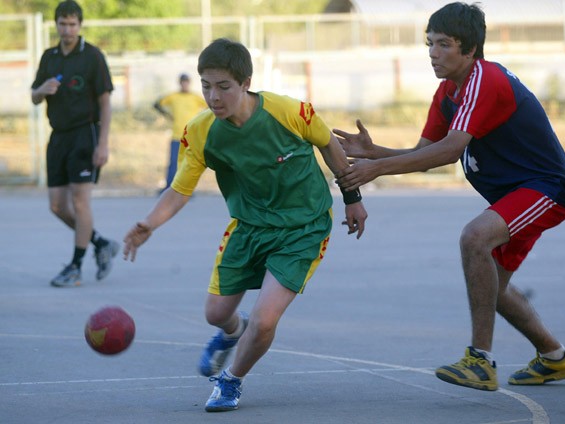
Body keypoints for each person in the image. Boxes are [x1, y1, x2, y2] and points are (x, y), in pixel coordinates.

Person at [334, 2, 565, 392]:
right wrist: (375, 152)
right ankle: (556, 356)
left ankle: (480, 362)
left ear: (470, 49)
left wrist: (376, 169)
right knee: (492, 287)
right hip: (516, 196)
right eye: (429, 44)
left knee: (474, 237)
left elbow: (450, 151)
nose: (433, 53)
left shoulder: (485, 79)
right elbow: (425, 154)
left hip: (547, 188)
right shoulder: (448, 91)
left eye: (444, 44)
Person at [123, 38, 368, 412]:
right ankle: (232, 332)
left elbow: (329, 145)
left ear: (245, 83)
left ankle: (231, 380)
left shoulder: (289, 112)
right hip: (249, 227)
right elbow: (179, 190)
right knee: (216, 314)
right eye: (207, 86)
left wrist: (352, 197)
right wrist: (148, 223)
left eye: (223, 86)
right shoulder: (201, 131)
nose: (213, 97)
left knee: (265, 320)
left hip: (303, 227)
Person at [31, 0, 119, 288]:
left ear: (79, 25)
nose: (67, 29)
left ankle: (76, 267)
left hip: (85, 134)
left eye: (72, 24)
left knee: (80, 202)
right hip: (58, 136)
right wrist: (41, 90)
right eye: (63, 24)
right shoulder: (49, 57)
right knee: (57, 206)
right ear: (56, 25)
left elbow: (105, 103)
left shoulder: (92, 56)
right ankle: (100, 242)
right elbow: (34, 96)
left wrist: (103, 144)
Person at [153, 73, 206, 192]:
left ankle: (187, 188)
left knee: (189, 164)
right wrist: (168, 115)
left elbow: (209, 108)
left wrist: (200, 120)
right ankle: (169, 187)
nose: (185, 85)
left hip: (191, 136)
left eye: (186, 82)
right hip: (177, 135)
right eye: (183, 82)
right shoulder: (174, 96)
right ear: (180, 83)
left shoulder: (195, 97)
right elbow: (157, 104)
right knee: (173, 162)